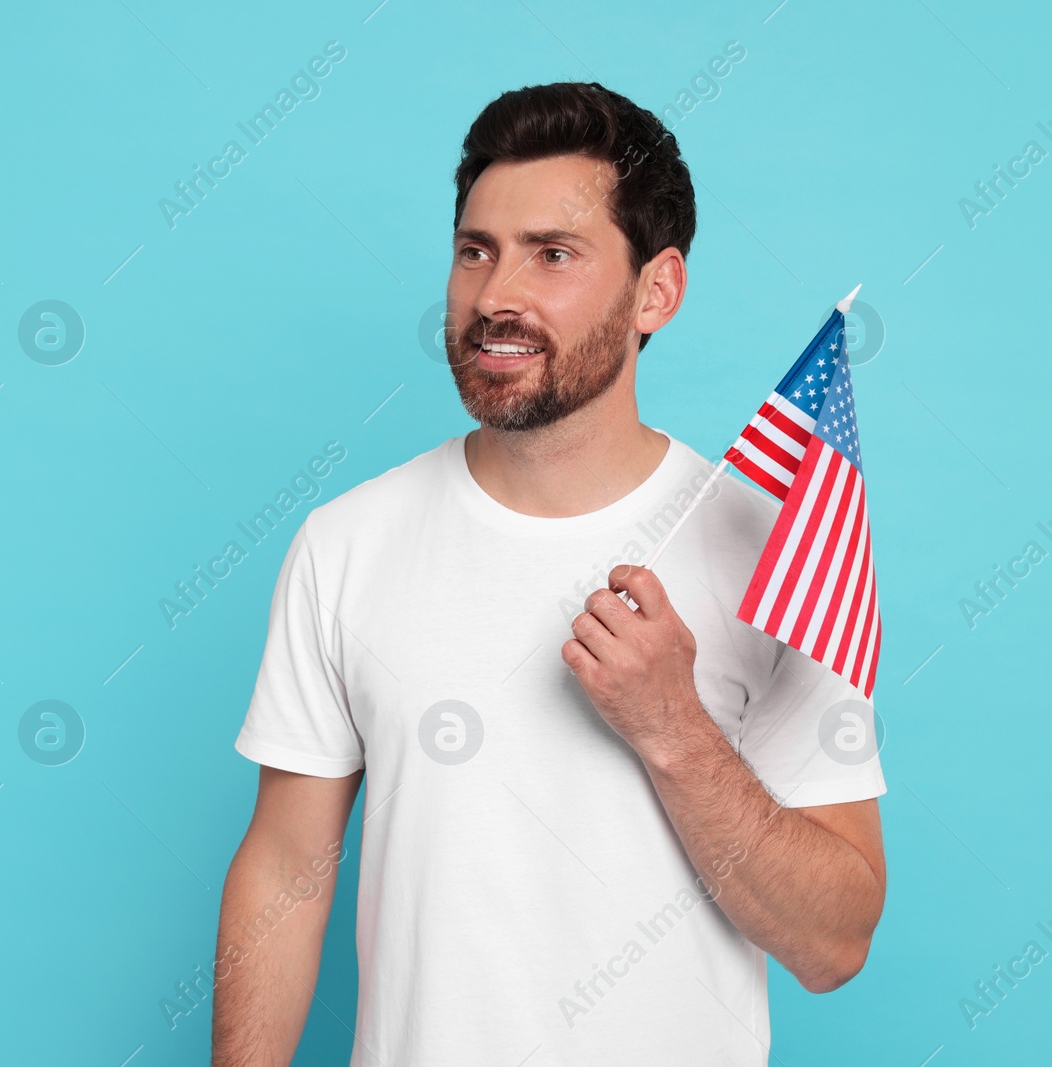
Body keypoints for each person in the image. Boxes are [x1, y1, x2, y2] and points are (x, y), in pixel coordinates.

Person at [211, 81, 887, 1066]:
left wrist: (671, 725)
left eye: (553, 254)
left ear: (655, 289)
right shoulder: (344, 541)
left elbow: (832, 941)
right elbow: (285, 867)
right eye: (474, 250)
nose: (494, 297)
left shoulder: (775, 558)